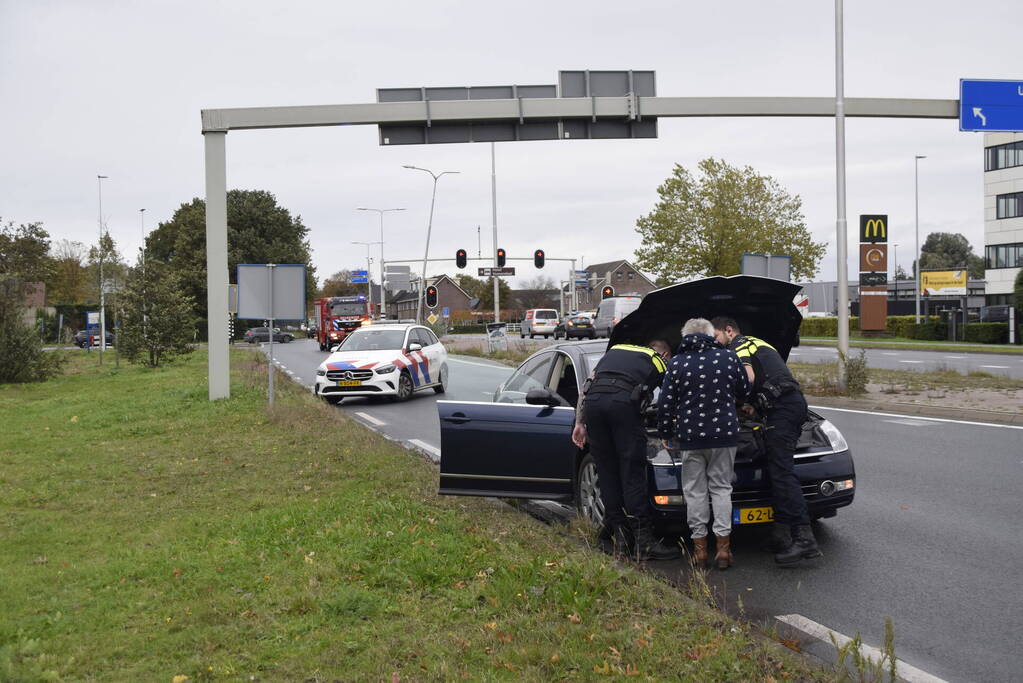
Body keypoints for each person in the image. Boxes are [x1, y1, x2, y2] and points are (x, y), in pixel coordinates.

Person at [710, 316, 823, 566]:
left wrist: (734, 401)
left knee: (782, 472)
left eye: (716, 336)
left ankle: (804, 539)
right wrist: (752, 404)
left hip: (782, 408)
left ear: (729, 331)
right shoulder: (761, 344)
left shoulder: (740, 345)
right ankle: (781, 534)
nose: (714, 343)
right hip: (787, 404)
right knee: (776, 469)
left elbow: (747, 377)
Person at [571, 339, 681, 561]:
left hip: (594, 405)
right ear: (666, 354)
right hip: (622, 406)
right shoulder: (659, 361)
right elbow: (670, 398)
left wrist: (580, 423)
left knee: (607, 471)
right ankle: (644, 542)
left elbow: (587, 386)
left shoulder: (614, 351)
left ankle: (620, 540)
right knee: (632, 472)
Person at [656, 318, 749, 569]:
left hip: (691, 437)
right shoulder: (728, 358)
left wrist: (665, 432)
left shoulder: (677, 363)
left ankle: (699, 551)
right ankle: (723, 550)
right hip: (725, 435)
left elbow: (666, 403)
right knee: (721, 488)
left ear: (685, 336)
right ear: (711, 335)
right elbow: (743, 389)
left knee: (695, 491)